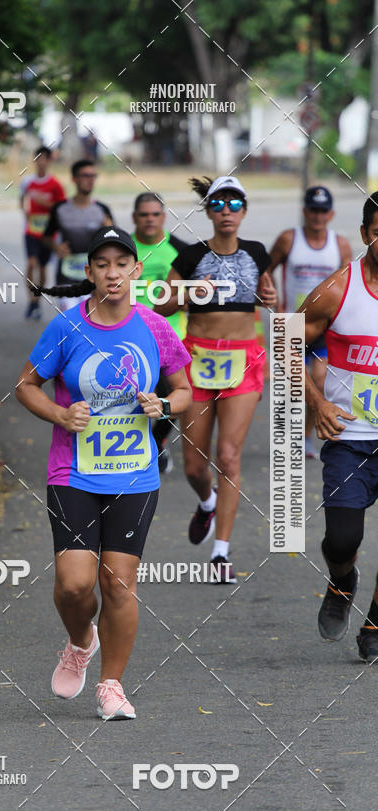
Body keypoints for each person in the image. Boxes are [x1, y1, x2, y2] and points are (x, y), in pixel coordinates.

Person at [15, 226, 192, 719]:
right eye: (101, 264)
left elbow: (185, 389)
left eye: (121, 263)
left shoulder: (156, 328)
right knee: (75, 584)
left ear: (136, 269)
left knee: (117, 584)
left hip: (135, 474)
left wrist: (164, 404)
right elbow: (26, 386)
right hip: (73, 471)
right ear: (89, 271)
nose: (112, 273)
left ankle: (112, 685)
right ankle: (79, 641)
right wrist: (59, 414)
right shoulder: (67, 327)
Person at [155, 175, 277, 583]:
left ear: (244, 210)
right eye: (219, 204)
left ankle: (220, 553)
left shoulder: (259, 253)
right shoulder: (190, 255)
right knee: (194, 465)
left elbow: (266, 296)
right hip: (199, 359)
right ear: (207, 211)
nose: (227, 211)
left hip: (243, 361)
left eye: (235, 203)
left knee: (228, 456)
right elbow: (161, 301)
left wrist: (270, 300)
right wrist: (190, 291)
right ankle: (206, 502)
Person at [301, 192, 378, 662]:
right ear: (370, 234)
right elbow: (286, 340)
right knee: (342, 539)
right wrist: (317, 405)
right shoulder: (337, 290)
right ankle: (342, 579)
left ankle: (374, 622)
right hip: (350, 438)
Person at [269, 186, 352, 458]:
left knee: (318, 378)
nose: (318, 216)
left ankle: (305, 436)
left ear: (331, 214)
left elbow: (349, 285)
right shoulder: (288, 239)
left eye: (323, 211)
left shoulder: (339, 245)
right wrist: (275, 306)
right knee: (294, 383)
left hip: (325, 326)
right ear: (305, 211)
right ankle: (287, 433)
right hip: (293, 324)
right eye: (313, 210)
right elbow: (265, 272)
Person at [131, 191, 189, 473]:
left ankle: (157, 441)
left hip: (171, 336)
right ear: (134, 218)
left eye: (155, 214)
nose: (150, 219)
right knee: (132, 398)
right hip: (131, 335)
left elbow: (193, 296)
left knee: (175, 399)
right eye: (144, 214)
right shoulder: (124, 249)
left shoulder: (179, 248)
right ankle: (133, 450)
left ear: (164, 217)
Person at [41, 159, 114, 313]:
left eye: (94, 176)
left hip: (95, 279)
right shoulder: (60, 208)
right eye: (85, 175)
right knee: (71, 324)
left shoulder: (102, 209)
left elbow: (116, 243)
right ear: (74, 179)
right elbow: (46, 236)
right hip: (67, 277)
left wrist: (109, 230)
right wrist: (56, 247)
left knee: (92, 325)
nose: (90, 180)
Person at [19, 146, 66, 320]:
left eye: (45, 158)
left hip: (48, 233)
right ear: (34, 160)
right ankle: (31, 298)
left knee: (43, 266)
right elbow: (22, 200)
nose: (41, 162)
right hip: (30, 230)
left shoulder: (55, 184)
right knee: (31, 263)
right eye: (38, 158)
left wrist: (45, 204)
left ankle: (36, 300)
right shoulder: (27, 182)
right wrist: (25, 211)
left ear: (49, 161)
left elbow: (62, 208)